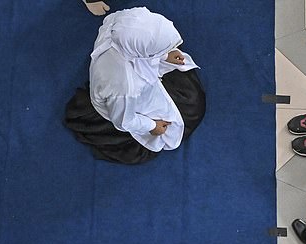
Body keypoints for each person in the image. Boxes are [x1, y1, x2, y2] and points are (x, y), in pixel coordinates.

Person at [65, 7, 206, 164]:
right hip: (124, 100)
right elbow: (124, 120)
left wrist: (165, 55)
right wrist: (152, 126)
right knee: (192, 105)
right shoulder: (125, 87)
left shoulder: (121, 24)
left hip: (121, 81)